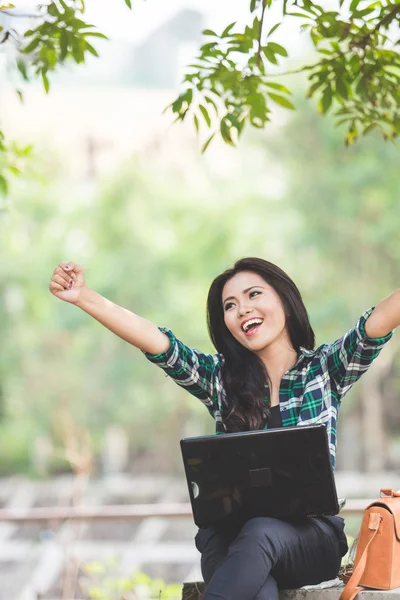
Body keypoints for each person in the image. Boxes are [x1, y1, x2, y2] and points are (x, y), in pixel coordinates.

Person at [49, 257, 398, 600]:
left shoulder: (325, 369)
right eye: (230, 305)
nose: (242, 309)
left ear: (285, 301)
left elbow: (379, 320)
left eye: (254, 295)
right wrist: (83, 296)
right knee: (253, 578)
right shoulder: (219, 379)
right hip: (231, 538)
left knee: (261, 533)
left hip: (308, 540)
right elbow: (156, 342)